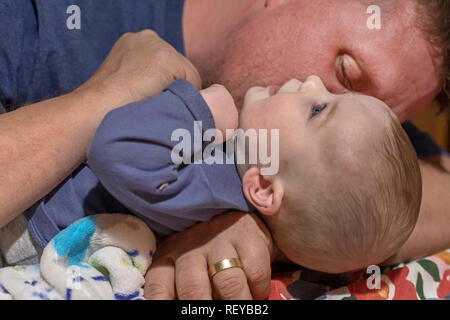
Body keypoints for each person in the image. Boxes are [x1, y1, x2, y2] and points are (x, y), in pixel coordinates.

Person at [0, 0, 448, 299]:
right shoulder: (33, 20)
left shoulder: (333, 139)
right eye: (346, 76)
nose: (314, 87)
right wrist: (108, 96)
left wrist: (275, 229)